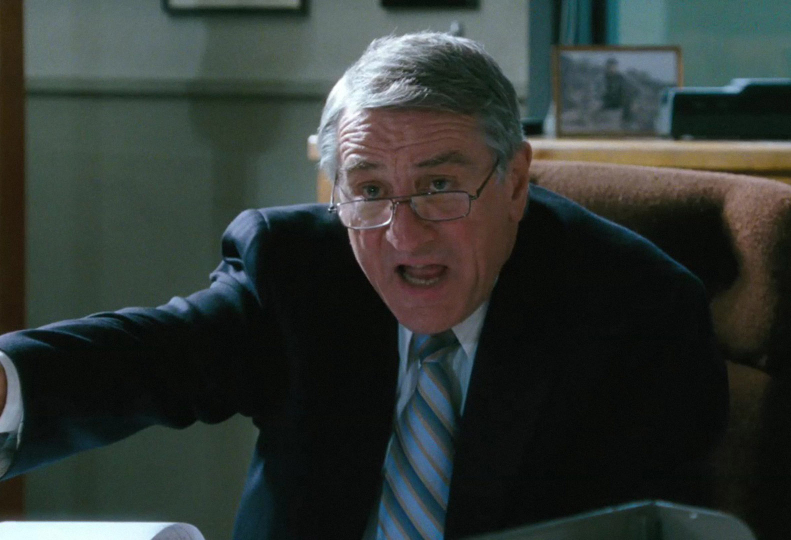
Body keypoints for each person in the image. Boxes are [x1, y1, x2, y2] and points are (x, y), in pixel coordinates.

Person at [0, 32, 727, 539]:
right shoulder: (298, 269)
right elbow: (153, 356)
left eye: (439, 187)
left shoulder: (635, 311)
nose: (404, 236)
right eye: (370, 191)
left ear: (514, 182)